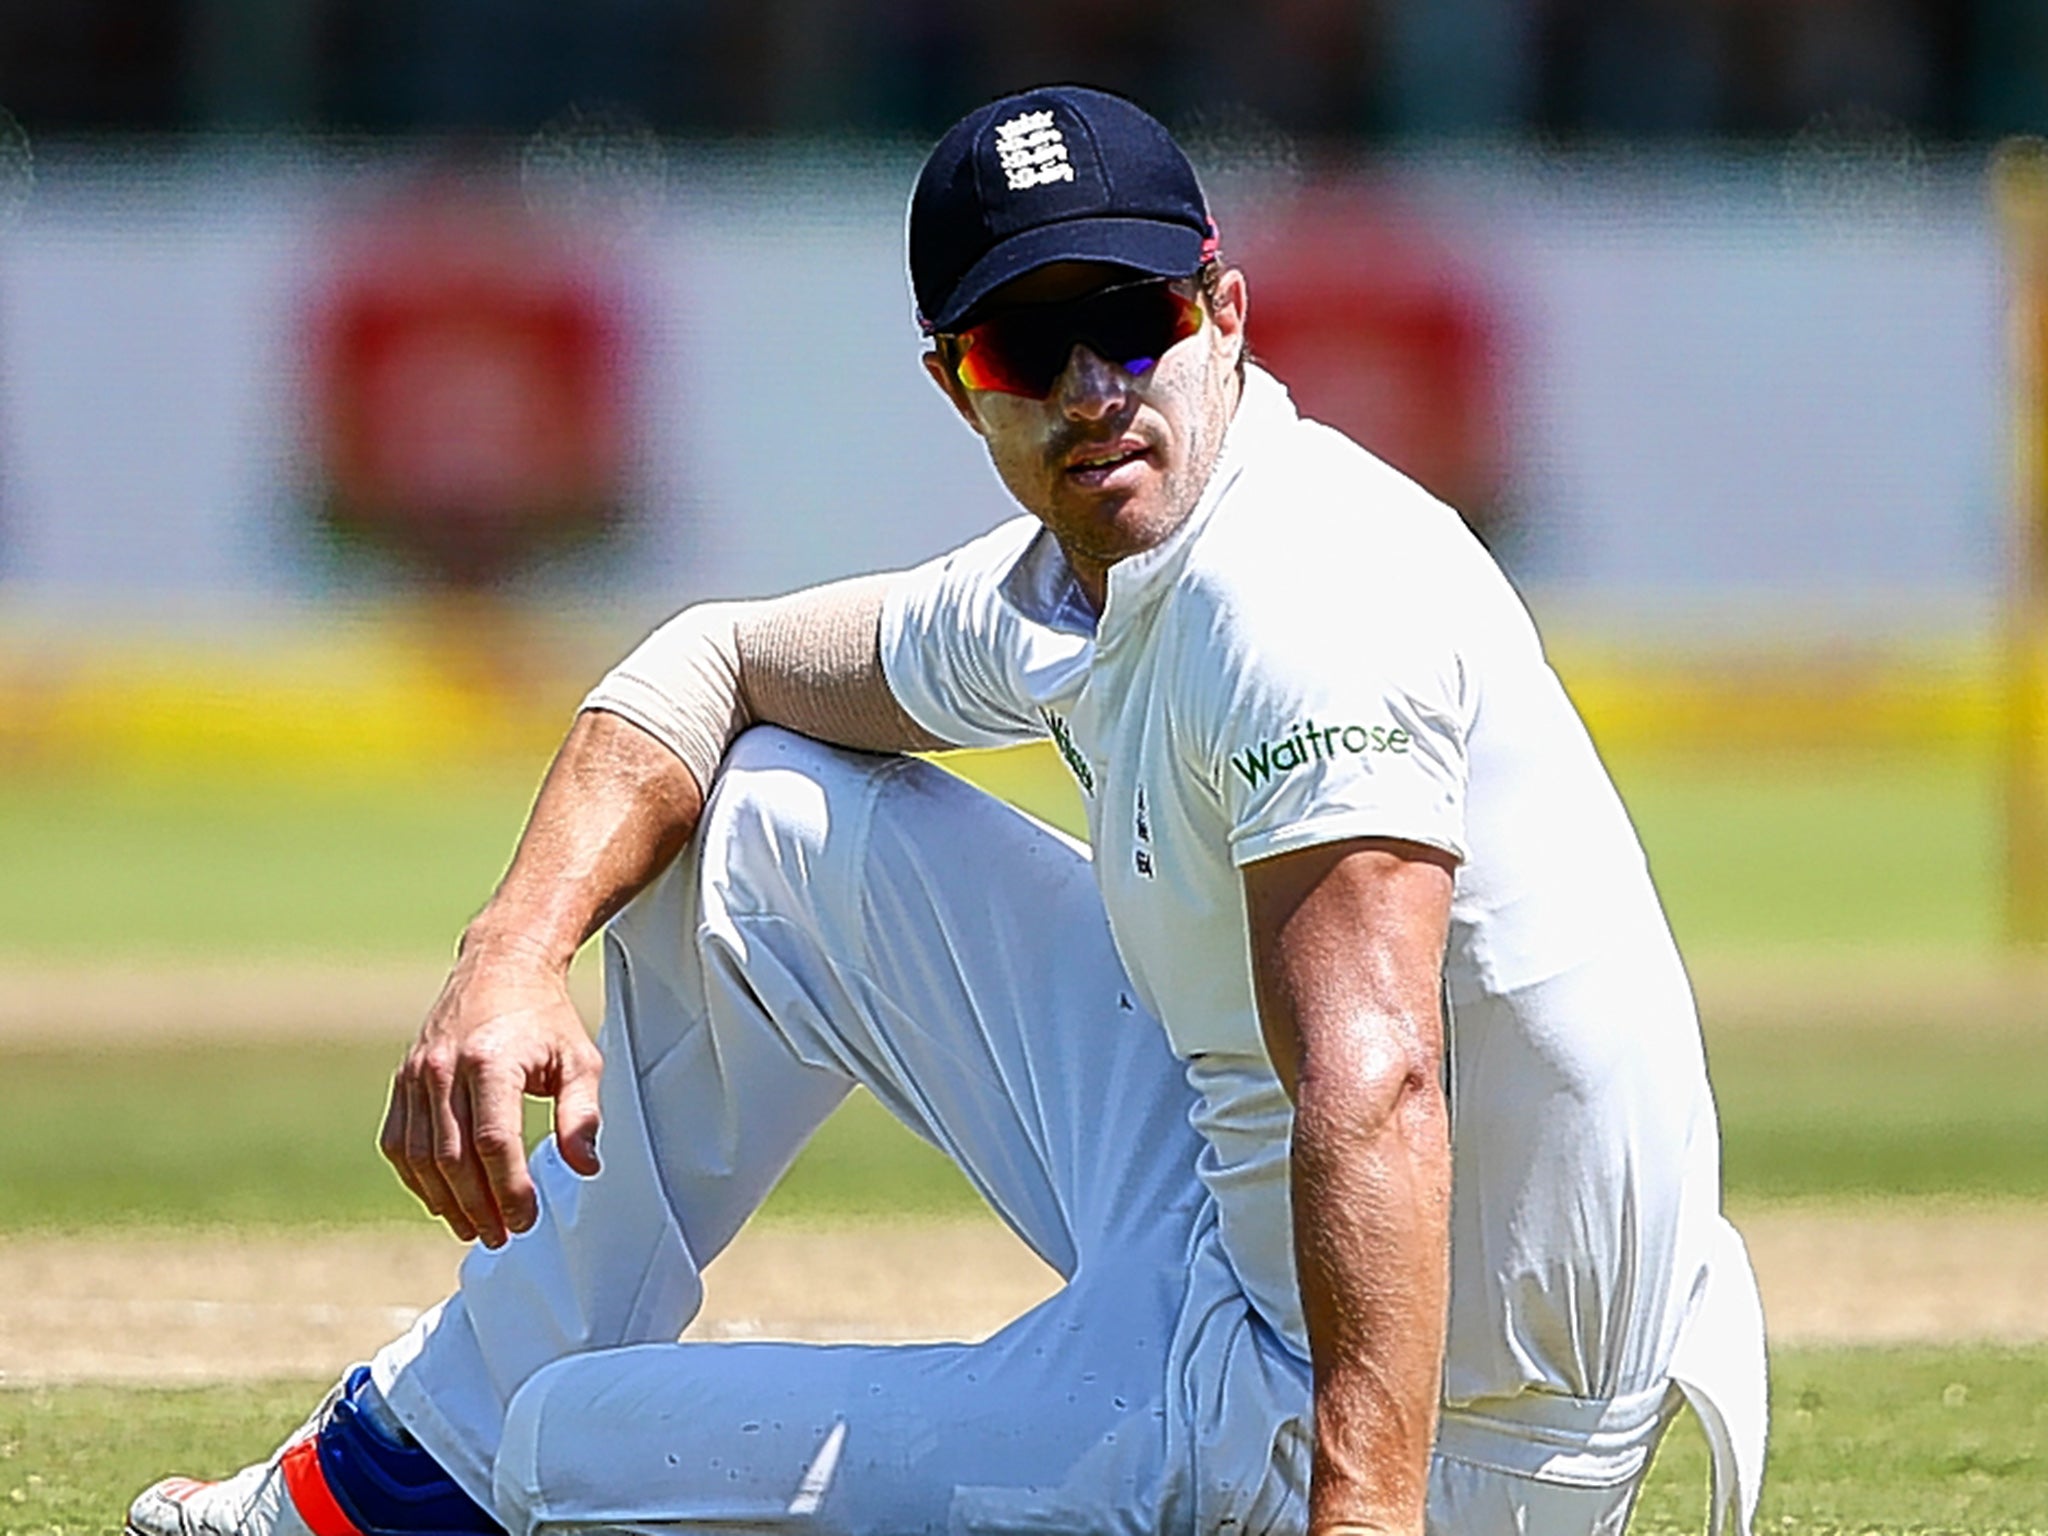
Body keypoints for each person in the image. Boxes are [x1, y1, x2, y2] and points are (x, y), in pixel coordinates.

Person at [127, 85, 1766, 1536]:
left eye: (1130, 319)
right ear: (954, 386)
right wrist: (512, 950)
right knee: (762, 821)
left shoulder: (1296, 603)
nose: (1089, 386)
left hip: (1428, 1432)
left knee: (574, 1454)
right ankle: (409, 1473)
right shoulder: (1075, 583)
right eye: (1020, 348)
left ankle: (480, 1463)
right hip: (1246, 1234)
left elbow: (1379, 1078)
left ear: (1229, 314)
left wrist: (1365, 1513)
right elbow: (711, 665)